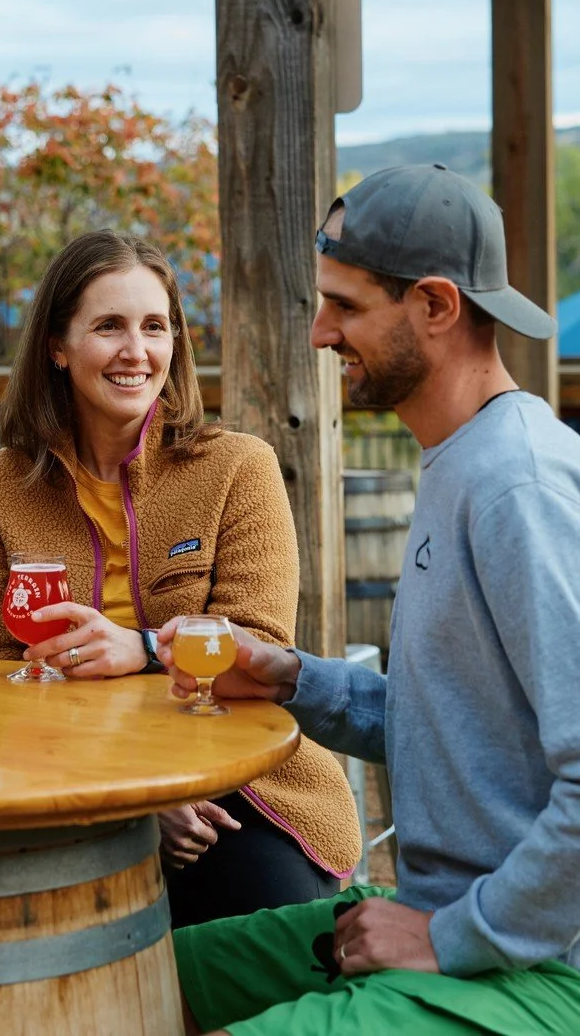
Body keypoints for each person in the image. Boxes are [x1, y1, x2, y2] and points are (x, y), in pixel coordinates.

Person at [162, 163, 580, 1036]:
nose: (319, 334)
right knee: (130, 975)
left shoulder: (516, 487)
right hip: (452, 918)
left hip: (539, 967)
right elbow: (461, 725)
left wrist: (448, 934)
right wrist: (286, 679)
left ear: (434, 306)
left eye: (345, 306)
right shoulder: (458, 459)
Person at [0, 230, 360, 926]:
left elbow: (258, 647)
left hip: (240, 781)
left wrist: (139, 648)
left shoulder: (237, 467)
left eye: (154, 326)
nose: (135, 351)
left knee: (266, 928)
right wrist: (132, 794)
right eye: (107, 326)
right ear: (57, 346)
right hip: (64, 778)